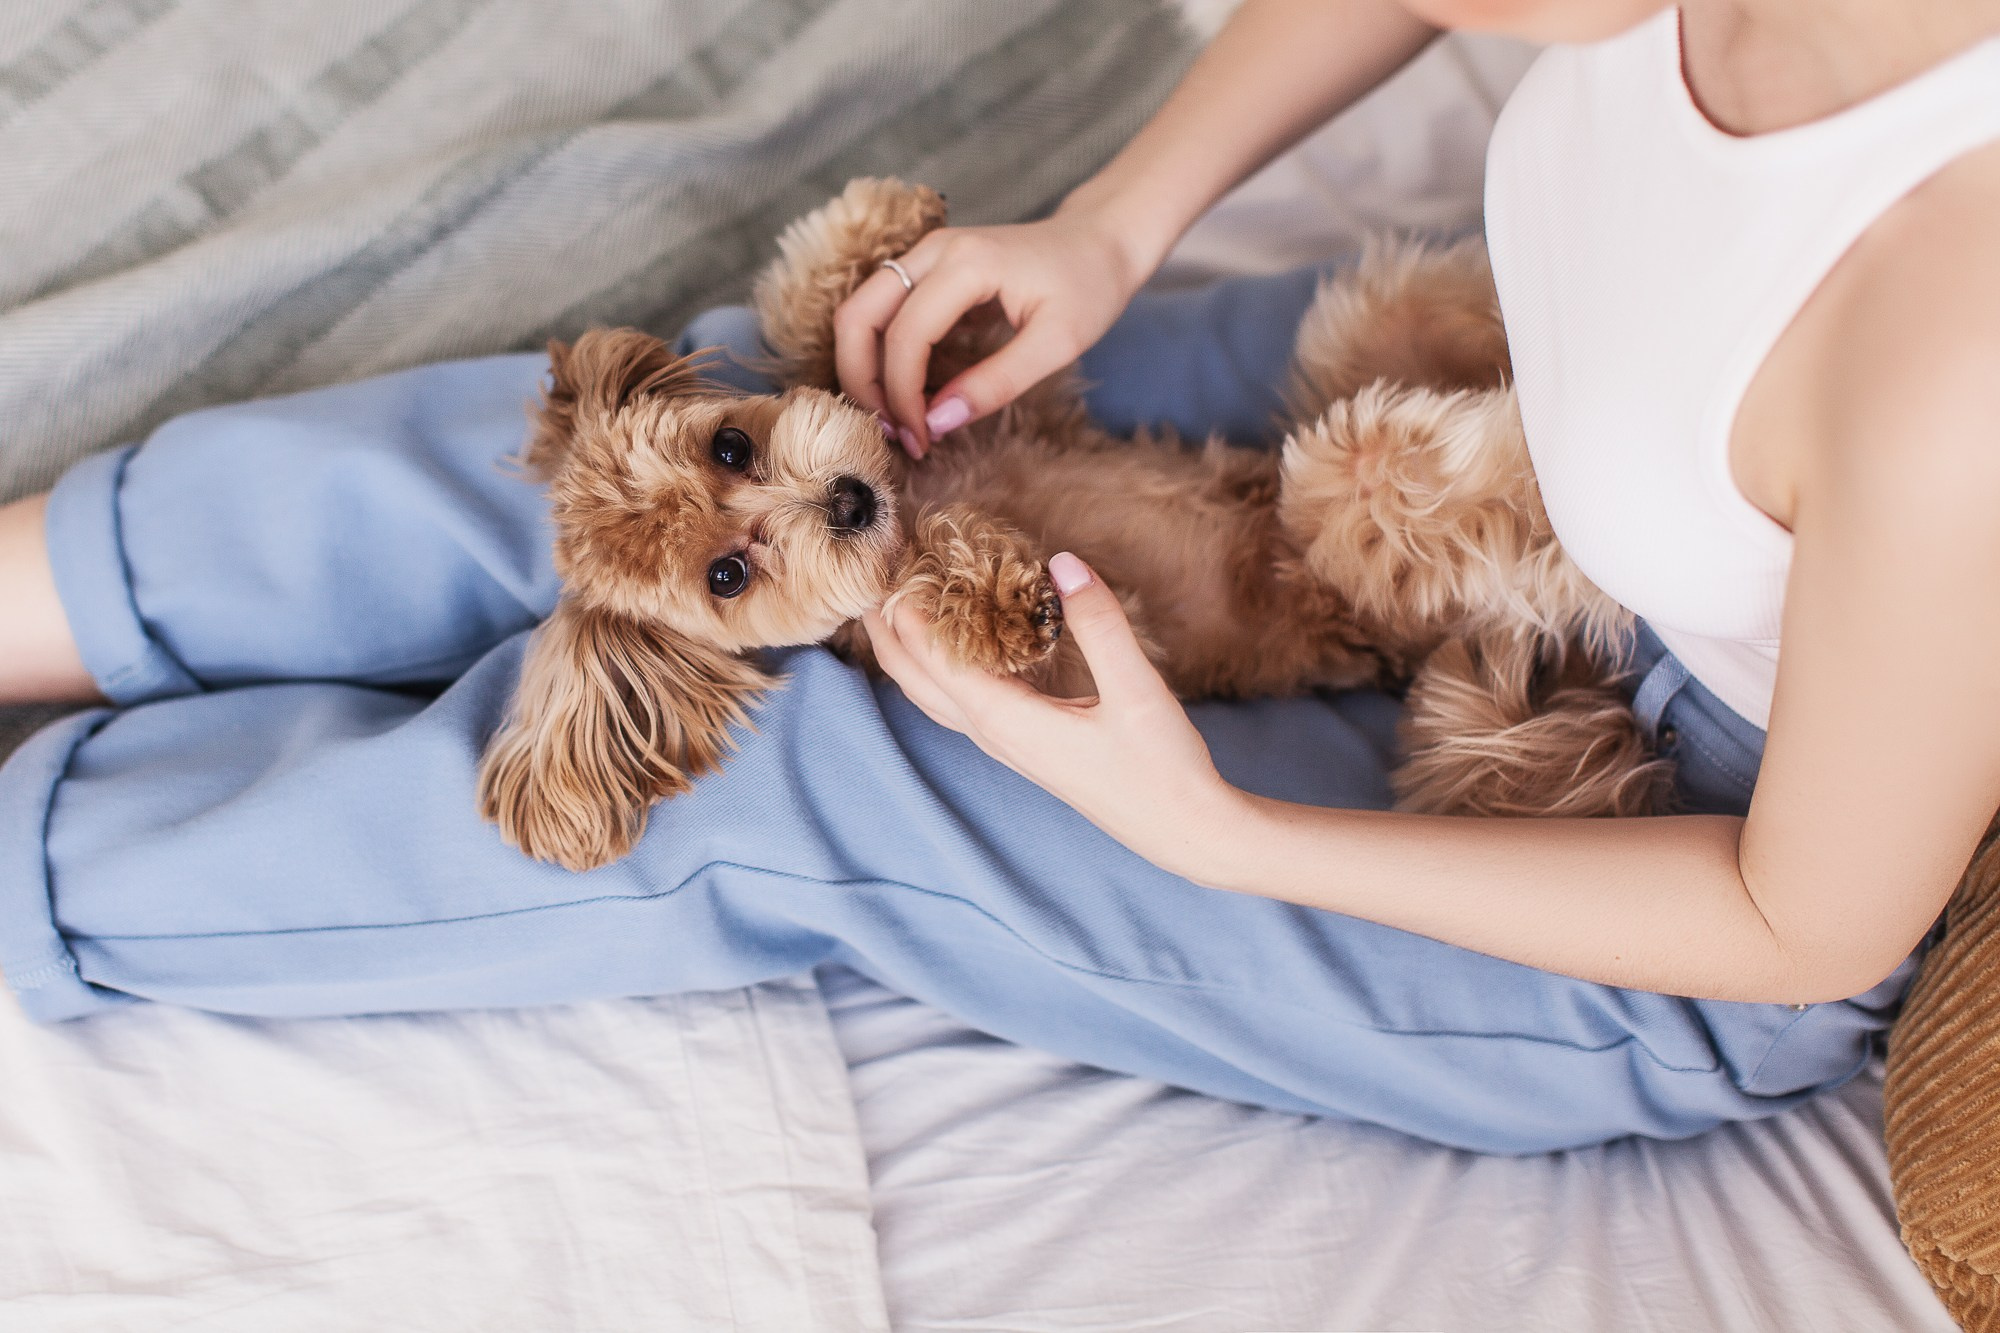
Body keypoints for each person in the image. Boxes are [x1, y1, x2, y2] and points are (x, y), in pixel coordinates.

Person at [0, 0, 1994, 1154]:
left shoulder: (1955, 347)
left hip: (1646, 833)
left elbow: (1795, 917)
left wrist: (1213, 838)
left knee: (783, 773)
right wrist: (1116, 225)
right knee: (778, 426)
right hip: (1474, 385)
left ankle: (38, 876)